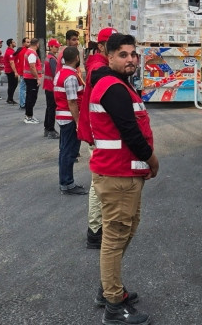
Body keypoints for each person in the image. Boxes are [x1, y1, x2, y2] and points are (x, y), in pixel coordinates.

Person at [89, 33, 157, 324]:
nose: (130, 60)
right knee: (115, 239)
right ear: (109, 56)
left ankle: (109, 289)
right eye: (123, 55)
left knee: (124, 233)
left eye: (133, 54)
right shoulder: (114, 88)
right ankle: (114, 306)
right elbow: (131, 132)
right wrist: (152, 161)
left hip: (122, 172)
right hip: (118, 174)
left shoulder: (114, 84)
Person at [78, 27, 117, 249]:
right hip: (96, 134)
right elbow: (96, 73)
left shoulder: (104, 63)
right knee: (98, 182)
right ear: (101, 46)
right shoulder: (98, 64)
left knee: (102, 180)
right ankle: (95, 231)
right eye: (110, 43)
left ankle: (100, 226)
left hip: (100, 133)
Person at [55, 45, 87, 194]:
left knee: (64, 151)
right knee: (69, 151)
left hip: (62, 117)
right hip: (69, 118)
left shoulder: (61, 73)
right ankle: (67, 184)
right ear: (76, 58)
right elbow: (72, 102)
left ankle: (65, 181)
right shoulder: (71, 77)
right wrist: (79, 122)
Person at [42, 39, 61, 139]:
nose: (57, 48)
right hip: (51, 87)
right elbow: (56, 73)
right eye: (56, 46)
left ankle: (47, 128)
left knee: (49, 108)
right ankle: (50, 129)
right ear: (51, 47)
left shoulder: (49, 57)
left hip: (48, 86)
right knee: (52, 109)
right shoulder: (52, 59)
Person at [22, 38, 43, 125]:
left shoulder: (28, 51)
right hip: (31, 78)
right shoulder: (32, 53)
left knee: (29, 97)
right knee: (31, 97)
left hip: (29, 77)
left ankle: (29, 115)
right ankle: (29, 116)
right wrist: (37, 78)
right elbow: (32, 67)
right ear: (37, 44)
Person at [3, 38, 18, 104]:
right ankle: (10, 99)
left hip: (10, 70)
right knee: (12, 84)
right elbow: (12, 62)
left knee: (13, 84)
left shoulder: (11, 51)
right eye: (13, 42)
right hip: (10, 71)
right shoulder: (10, 52)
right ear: (10, 44)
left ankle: (10, 98)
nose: (15, 43)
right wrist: (15, 72)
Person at [17, 37, 30, 109]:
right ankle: (22, 103)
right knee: (23, 88)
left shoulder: (21, 50)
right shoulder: (25, 51)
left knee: (23, 88)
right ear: (23, 43)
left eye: (29, 42)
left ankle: (23, 103)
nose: (29, 43)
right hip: (24, 72)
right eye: (27, 42)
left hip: (22, 72)